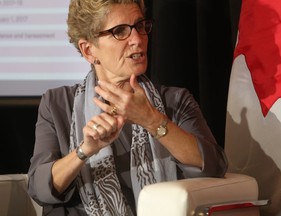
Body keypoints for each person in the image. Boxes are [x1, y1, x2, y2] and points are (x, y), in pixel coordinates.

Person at [27, 0, 228, 215]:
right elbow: (39, 188)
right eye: (120, 31)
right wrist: (84, 151)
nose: (137, 39)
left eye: (140, 26)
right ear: (88, 50)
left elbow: (215, 166)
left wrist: (153, 120)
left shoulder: (175, 101)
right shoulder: (58, 104)